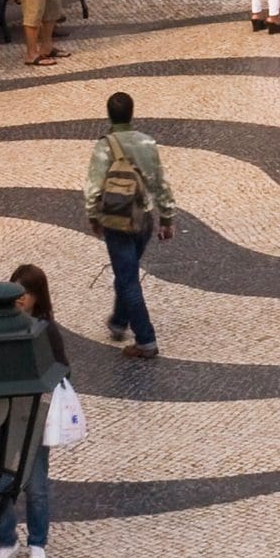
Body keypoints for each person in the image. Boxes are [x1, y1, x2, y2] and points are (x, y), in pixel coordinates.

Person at [0, 265, 68, 558]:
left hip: (33, 416)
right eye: (17, 291)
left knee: (36, 484)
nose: (21, 298)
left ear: (37, 296)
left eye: (26, 292)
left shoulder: (45, 329)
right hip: (2, 414)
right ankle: (7, 540)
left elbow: (62, 369)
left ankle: (37, 541)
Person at [82, 91, 179, 359]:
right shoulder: (147, 143)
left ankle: (146, 340)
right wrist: (167, 217)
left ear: (109, 115)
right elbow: (160, 183)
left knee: (128, 279)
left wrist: (93, 217)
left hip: (117, 221)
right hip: (144, 220)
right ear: (132, 114)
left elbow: (93, 188)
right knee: (127, 271)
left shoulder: (104, 146)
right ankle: (118, 321)